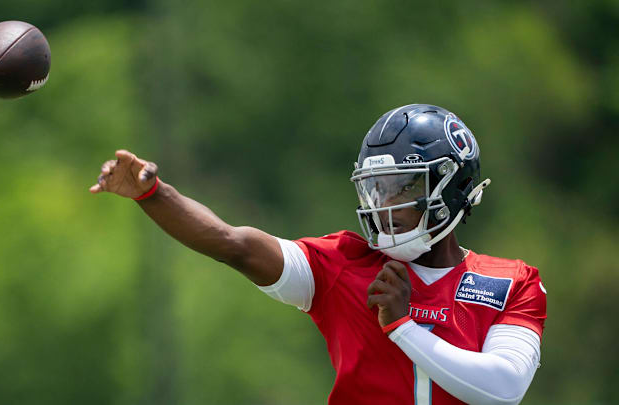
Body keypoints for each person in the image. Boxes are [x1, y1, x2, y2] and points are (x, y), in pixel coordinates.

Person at [90, 104, 547, 405]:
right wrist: (154, 194)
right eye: (377, 190)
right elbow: (235, 244)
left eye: (403, 188)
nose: (385, 206)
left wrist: (403, 327)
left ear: (456, 187)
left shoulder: (513, 281)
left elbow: (502, 388)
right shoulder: (344, 264)